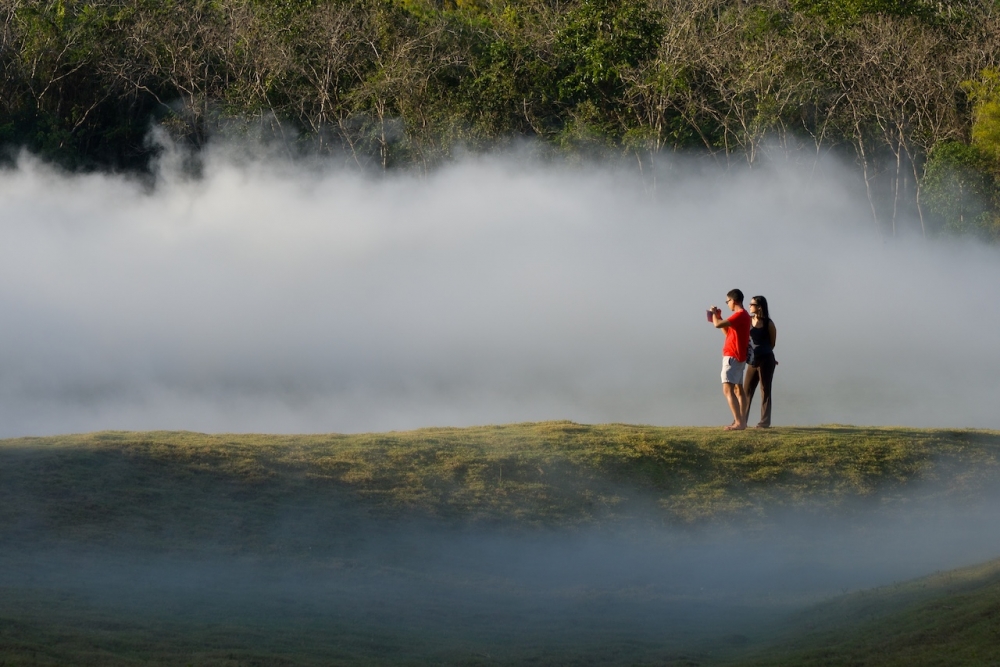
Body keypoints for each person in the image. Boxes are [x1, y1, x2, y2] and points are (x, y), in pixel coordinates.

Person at [709, 289, 751, 430]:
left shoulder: (739, 315)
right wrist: (719, 316)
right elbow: (726, 331)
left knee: (728, 390)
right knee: (739, 389)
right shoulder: (743, 316)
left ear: (734, 300)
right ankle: (741, 421)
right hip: (738, 356)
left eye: (728, 301)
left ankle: (739, 422)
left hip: (732, 356)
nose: (727, 304)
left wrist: (714, 315)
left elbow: (717, 325)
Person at [743, 295, 777, 428]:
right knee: (746, 390)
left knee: (765, 389)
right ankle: (742, 420)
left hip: (766, 359)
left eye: (752, 304)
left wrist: (767, 355)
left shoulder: (769, 323)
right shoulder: (748, 321)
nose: (750, 306)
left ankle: (764, 422)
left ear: (759, 307)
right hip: (753, 360)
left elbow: (772, 343)